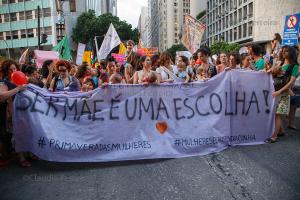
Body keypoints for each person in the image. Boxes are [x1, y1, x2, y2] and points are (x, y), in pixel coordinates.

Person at [266, 46, 299, 143]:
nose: (284, 52)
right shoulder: (279, 63)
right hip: (275, 92)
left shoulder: (294, 66)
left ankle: (274, 136)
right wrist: (273, 69)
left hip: (283, 94)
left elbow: (291, 82)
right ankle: (281, 131)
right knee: (275, 114)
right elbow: (269, 73)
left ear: (291, 53)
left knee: (278, 115)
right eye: (283, 51)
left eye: (287, 51)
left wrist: (279, 91)